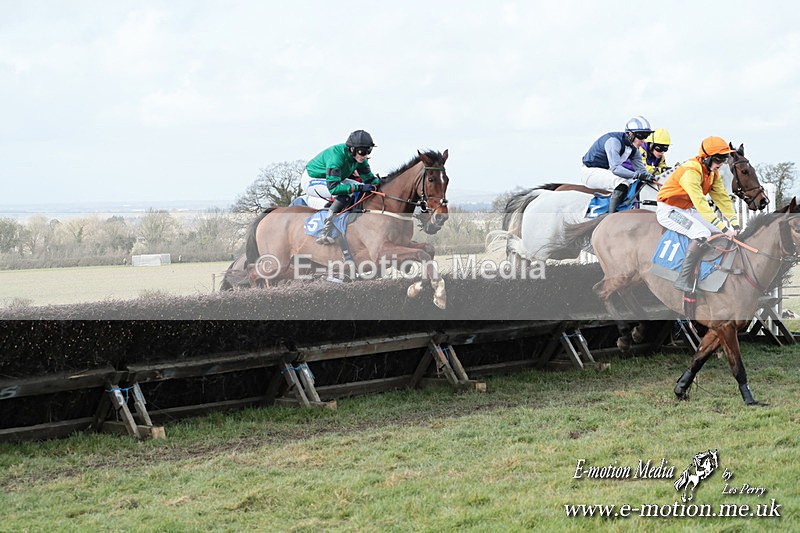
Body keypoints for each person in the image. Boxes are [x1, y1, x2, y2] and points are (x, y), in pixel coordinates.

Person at [656, 136, 740, 292]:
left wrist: (734, 221)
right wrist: (723, 227)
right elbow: (701, 202)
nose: (721, 163)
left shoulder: (713, 173)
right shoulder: (691, 171)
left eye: (724, 159)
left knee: (716, 232)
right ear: (706, 157)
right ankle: (683, 278)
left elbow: (722, 197)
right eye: (718, 159)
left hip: (687, 209)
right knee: (701, 232)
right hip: (669, 210)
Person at [304, 130, 380, 245]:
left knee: (360, 187)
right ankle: (325, 231)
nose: (365, 155)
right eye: (362, 151)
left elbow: (370, 180)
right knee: (346, 192)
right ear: (352, 149)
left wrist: (385, 182)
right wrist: (359, 188)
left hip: (333, 178)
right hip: (312, 179)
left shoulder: (360, 159)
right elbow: (334, 188)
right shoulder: (336, 158)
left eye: (368, 151)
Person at [581, 116, 656, 213]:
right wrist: (636, 175)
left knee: (635, 184)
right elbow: (615, 169)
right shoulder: (614, 142)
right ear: (630, 134)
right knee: (622, 183)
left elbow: (642, 171)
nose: (643, 140)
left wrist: (650, 178)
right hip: (589, 172)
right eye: (641, 136)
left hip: (604, 172)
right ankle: (611, 217)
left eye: (646, 136)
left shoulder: (634, 150)